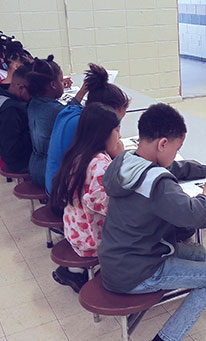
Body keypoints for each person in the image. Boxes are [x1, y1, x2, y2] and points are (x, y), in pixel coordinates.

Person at [98, 103, 206, 341]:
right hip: (138, 272)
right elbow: (192, 215)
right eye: (177, 147)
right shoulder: (158, 183)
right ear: (163, 144)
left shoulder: (125, 162)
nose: (176, 154)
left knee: (198, 253)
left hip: (115, 260)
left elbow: (171, 167)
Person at [49, 103, 124, 292]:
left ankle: (75, 270)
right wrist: (121, 158)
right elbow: (113, 208)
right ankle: (85, 272)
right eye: (117, 129)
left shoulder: (77, 154)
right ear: (102, 133)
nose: (120, 135)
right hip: (92, 240)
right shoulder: (100, 166)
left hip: (74, 230)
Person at [45, 63, 130, 195]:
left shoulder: (71, 111)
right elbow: (117, 154)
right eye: (116, 124)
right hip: (64, 195)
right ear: (104, 112)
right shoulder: (87, 126)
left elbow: (75, 101)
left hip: (54, 184)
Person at [26, 55, 82, 188]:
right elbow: (69, 112)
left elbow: (63, 109)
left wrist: (78, 90)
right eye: (61, 81)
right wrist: (84, 90)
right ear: (52, 85)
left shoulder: (34, 102)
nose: (63, 83)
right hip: (48, 173)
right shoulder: (55, 111)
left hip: (34, 166)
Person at [0, 65, 32, 173]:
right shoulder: (11, 110)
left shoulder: (5, 94)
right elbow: (11, 151)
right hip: (20, 162)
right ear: (21, 88)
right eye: (34, 92)